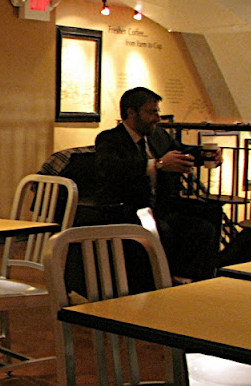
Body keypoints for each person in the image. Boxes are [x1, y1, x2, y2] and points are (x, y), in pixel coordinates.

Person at [95, 87, 222, 283]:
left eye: (157, 112)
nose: (157, 118)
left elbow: (181, 152)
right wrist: (158, 164)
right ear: (131, 113)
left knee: (210, 215)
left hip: (162, 204)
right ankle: (169, 278)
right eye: (151, 112)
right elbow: (112, 168)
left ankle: (200, 277)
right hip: (130, 207)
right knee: (169, 229)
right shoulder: (110, 139)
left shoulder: (158, 135)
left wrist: (206, 155)